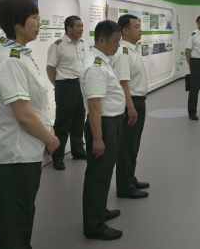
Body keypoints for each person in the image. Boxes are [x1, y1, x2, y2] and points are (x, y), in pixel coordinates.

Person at [0, 0, 60, 248]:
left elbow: (35, 106)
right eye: (34, 17)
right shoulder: (11, 60)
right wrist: (50, 139)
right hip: (15, 155)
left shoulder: (21, 55)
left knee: (22, 217)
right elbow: (24, 115)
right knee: (15, 226)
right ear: (17, 23)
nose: (39, 23)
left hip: (26, 152)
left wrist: (46, 131)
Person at [81, 20, 125, 241]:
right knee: (98, 175)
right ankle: (94, 226)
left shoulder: (103, 61)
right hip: (104, 125)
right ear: (101, 39)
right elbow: (94, 106)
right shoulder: (95, 67)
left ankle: (99, 211)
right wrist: (98, 138)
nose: (118, 45)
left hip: (111, 122)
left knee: (104, 172)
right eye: (115, 41)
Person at [113, 14, 149, 199]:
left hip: (138, 101)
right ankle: (124, 186)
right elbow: (123, 82)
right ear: (125, 30)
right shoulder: (123, 53)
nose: (140, 30)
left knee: (134, 144)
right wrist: (130, 107)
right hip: (131, 102)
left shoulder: (132, 50)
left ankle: (130, 177)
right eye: (136, 27)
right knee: (127, 146)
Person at [46, 15, 87, 170]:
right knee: (63, 124)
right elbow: (50, 68)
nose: (81, 29)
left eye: (82, 26)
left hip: (80, 85)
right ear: (68, 28)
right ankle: (57, 157)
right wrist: (59, 86)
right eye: (78, 26)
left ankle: (78, 150)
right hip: (65, 86)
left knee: (79, 120)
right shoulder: (58, 45)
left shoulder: (81, 43)